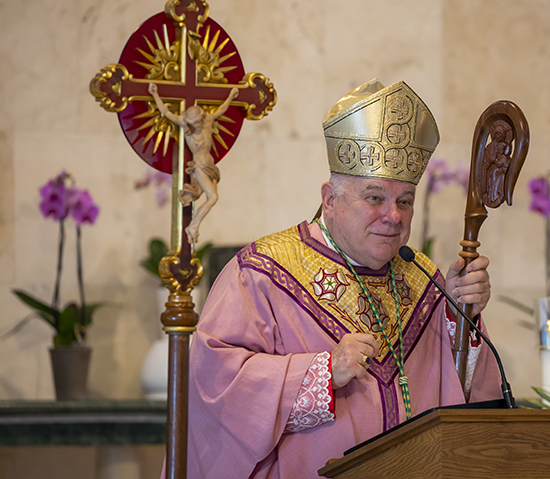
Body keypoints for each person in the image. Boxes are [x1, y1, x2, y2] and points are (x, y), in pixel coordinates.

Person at [183, 79, 503, 478]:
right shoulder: (263, 272)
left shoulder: (423, 279)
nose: (393, 215)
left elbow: (465, 404)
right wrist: (319, 373)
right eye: (374, 197)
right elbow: (213, 384)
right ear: (329, 200)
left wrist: (460, 316)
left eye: (405, 201)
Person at [148, 82, 239, 244]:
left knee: (212, 198)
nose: (198, 124)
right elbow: (166, 112)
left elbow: (221, 110)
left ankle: (194, 226)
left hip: (210, 165)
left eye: (199, 120)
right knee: (212, 197)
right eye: (194, 122)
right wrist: (155, 94)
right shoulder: (184, 124)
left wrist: (230, 97)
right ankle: (193, 226)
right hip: (198, 166)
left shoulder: (207, 121)